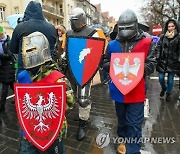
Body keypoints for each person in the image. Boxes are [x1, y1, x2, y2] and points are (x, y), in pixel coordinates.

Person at [106, 9, 156, 154]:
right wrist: (114, 65)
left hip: (137, 91)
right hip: (118, 90)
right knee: (121, 120)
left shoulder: (147, 43)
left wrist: (138, 68)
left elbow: (151, 64)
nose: (125, 30)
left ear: (135, 25)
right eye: (123, 27)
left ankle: (133, 150)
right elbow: (104, 62)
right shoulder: (112, 45)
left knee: (134, 123)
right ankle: (122, 140)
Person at [16, 32, 74, 154]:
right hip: (29, 132)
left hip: (52, 131)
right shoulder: (23, 76)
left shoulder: (58, 79)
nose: (28, 54)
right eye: (27, 50)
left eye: (32, 50)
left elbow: (68, 103)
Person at [66, 7, 103, 141]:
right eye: (71, 20)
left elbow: (97, 54)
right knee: (73, 96)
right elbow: (67, 50)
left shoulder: (93, 33)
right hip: (71, 69)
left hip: (85, 70)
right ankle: (81, 115)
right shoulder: (69, 33)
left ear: (81, 20)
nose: (72, 23)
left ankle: (83, 124)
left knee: (83, 98)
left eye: (74, 20)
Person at [10, 0, 57, 77]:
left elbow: (13, 49)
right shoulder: (51, 28)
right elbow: (53, 47)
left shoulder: (20, 27)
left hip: (25, 72)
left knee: (25, 89)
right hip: (46, 72)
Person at [155, 19, 180, 102]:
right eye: (169, 26)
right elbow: (158, 47)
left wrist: (178, 59)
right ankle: (164, 88)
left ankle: (168, 94)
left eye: (172, 26)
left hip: (173, 62)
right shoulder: (163, 37)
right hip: (163, 61)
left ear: (175, 26)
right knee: (161, 78)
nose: (171, 28)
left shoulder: (178, 37)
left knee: (170, 79)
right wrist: (158, 57)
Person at [0, 26, 15, 112]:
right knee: (12, 87)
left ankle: (1, 107)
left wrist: (1, 55)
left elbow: (10, 55)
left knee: (5, 89)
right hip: (2, 68)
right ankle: (19, 101)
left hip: (8, 68)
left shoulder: (8, 42)